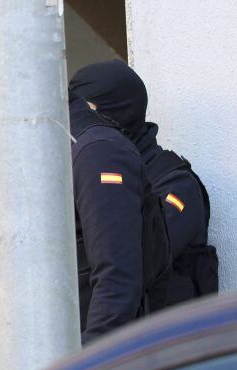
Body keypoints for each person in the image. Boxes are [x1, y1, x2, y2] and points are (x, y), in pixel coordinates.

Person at [70, 60, 217, 308]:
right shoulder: (87, 172)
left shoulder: (176, 184)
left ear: (114, 111)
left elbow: (132, 262)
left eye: (84, 110)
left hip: (163, 339)